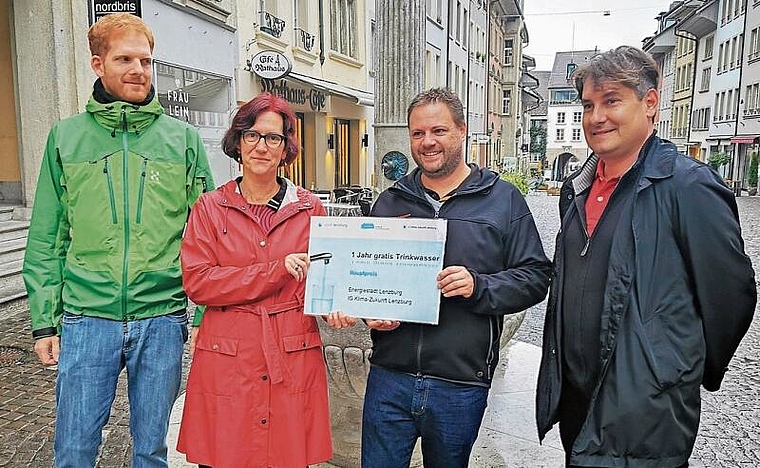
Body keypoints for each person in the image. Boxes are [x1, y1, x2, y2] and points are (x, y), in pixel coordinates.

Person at [535, 46, 757, 468]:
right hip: (579, 404)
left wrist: (673, 370)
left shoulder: (687, 186)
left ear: (650, 103)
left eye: (612, 100)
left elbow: (732, 296)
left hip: (645, 415)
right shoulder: (577, 189)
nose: (595, 117)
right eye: (588, 105)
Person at [21, 13, 214, 468]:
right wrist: (45, 321)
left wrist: (204, 310)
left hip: (162, 318)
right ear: (97, 64)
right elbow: (48, 232)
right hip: (86, 319)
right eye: (124, 59)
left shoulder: (181, 139)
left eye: (146, 60)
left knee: (151, 450)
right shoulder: (65, 138)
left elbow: (206, 232)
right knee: (74, 449)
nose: (138, 70)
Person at [362, 87, 552, 468]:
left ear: (462, 131)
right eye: (418, 134)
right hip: (389, 375)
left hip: (460, 382)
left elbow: (535, 276)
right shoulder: (390, 201)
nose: (427, 142)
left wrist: (479, 286)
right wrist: (370, 311)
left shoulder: (502, 199)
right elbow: (370, 276)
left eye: (439, 131)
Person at [176, 92, 352, 468]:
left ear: (285, 148)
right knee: (228, 456)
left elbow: (320, 281)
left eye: (273, 138)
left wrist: (337, 304)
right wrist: (275, 270)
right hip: (230, 358)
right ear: (238, 142)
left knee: (287, 458)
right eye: (252, 135)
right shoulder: (209, 208)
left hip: (291, 353)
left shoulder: (309, 209)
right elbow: (200, 282)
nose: (261, 146)